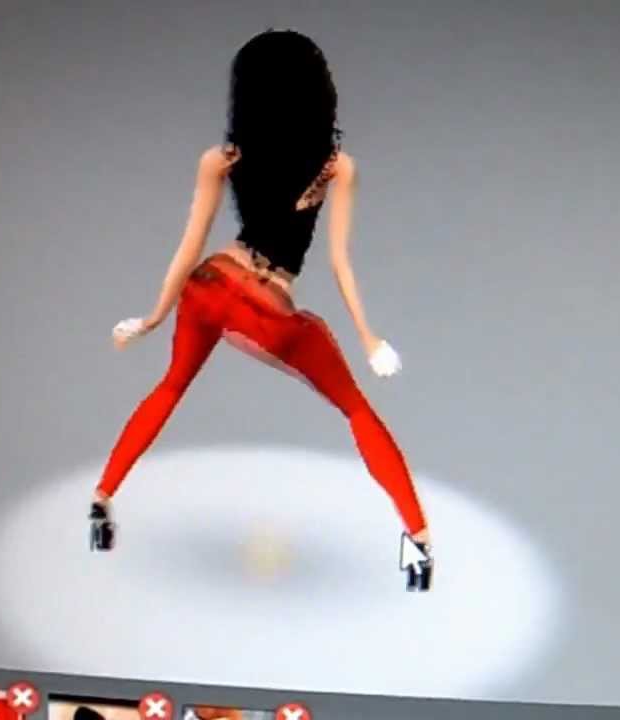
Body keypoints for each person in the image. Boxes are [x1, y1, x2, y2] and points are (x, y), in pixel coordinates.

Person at [89, 28, 433, 591]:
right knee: (355, 409)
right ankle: (418, 543)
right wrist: (369, 339)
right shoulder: (335, 167)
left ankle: (101, 501)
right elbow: (340, 262)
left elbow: (189, 248)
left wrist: (153, 316)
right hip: (264, 310)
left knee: (172, 385)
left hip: (209, 285)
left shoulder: (222, 159)